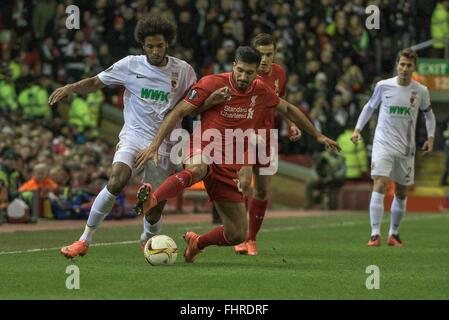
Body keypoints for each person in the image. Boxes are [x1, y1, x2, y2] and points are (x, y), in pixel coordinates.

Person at [134, 46, 340, 263]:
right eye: (240, 70)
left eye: (249, 73)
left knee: (237, 234)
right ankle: (153, 200)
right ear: (234, 65)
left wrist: (317, 135)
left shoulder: (261, 91)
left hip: (229, 163)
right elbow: (179, 111)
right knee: (198, 169)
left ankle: (198, 243)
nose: (243, 76)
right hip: (205, 145)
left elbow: (288, 109)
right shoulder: (212, 82)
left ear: (256, 73)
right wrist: (154, 146)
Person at [49, 15, 197, 258]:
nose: (156, 50)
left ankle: (148, 239)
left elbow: (195, 102)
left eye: (160, 45)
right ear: (142, 45)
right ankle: (84, 240)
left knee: (154, 207)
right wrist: (71, 88)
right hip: (134, 136)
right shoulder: (130, 65)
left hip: (165, 144)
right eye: (150, 46)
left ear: (167, 42)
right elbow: (97, 82)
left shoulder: (183, 71)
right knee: (117, 180)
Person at [351, 48, 436, 247]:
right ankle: (374, 234)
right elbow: (370, 107)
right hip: (383, 144)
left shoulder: (421, 91)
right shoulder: (383, 86)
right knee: (379, 183)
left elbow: (429, 114)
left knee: (401, 192)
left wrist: (431, 138)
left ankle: (394, 234)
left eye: (409, 65)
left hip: (406, 148)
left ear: (414, 67)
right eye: (402, 64)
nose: (405, 69)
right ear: (396, 65)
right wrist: (357, 129)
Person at [234, 33, 301, 256]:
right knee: (243, 183)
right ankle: (241, 233)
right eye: (261, 54)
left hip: (268, 136)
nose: (264, 59)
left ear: (275, 54)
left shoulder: (279, 73)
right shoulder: (245, 75)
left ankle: (251, 239)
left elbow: (281, 103)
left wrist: (292, 123)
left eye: (269, 54)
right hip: (245, 134)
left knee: (262, 190)